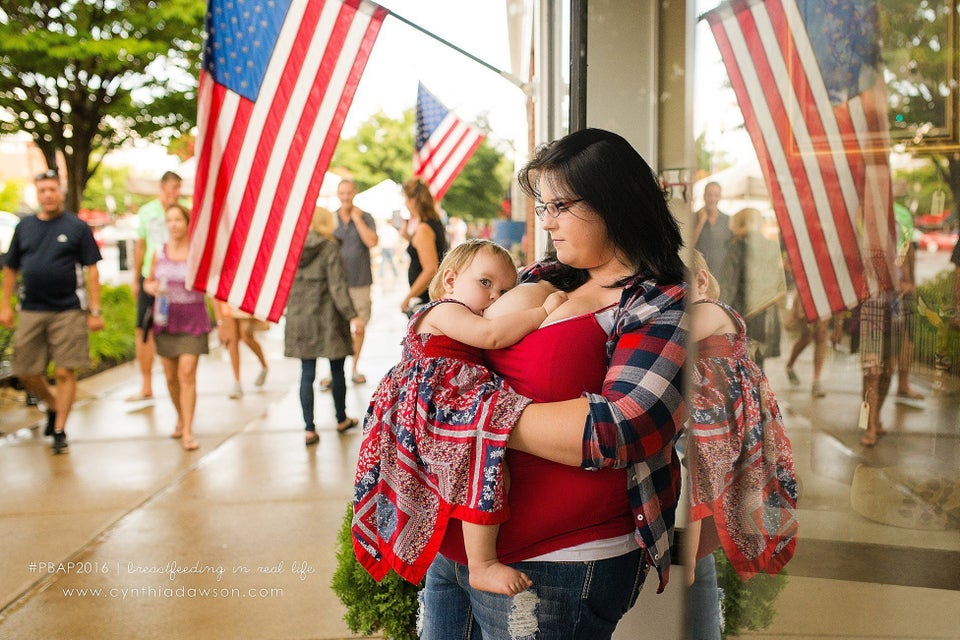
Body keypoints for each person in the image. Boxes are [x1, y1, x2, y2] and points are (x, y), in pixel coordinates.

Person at [417, 128, 687, 639]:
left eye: (560, 205)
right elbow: (452, 334)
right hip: (455, 547)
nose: (546, 221)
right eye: (543, 205)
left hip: (557, 566)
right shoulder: (549, 274)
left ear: (614, 202)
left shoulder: (659, 301)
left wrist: (462, 415)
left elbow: (626, 428)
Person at [354, 239, 567, 596]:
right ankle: (481, 564)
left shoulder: (460, 310)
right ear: (450, 281)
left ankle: (476, 557)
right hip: (431, 407)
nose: (495, 297)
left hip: (442, 402)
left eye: (504, 291)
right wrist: (542, 311)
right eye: (485, 283)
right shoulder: (442, 310)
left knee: (486, 467)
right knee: (484, 463)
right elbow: (491, 335)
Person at [682, 250, 798, 640]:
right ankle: (693, 566)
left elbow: (673, 337)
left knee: (703, 488)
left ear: (701, 280)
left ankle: (690, 566)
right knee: (701, 490)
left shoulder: (709, 309)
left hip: (721, 416)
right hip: (707, 415)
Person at [0, 169, 104, 454]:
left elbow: (92, 269)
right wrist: (4, 305)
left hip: (67, 309)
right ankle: (54, 404)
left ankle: (59, 428)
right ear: (37, 193)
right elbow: (10, 268)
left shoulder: (76, 227)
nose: (48, 195)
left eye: (52, 189)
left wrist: (94, 310)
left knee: (63, 370)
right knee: (24, 370)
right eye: (42, 190)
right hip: (32, 309)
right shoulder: (25, 227)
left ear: (61, 192)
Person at [285, 207, 364, 445]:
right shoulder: (329, 248)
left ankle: (309, 429)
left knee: (307, 373)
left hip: (300, 317)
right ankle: (341, 419)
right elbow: (338, 286)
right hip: (328, 317)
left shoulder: (291, 250)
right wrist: (353, 315)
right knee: (337, 370)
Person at [143, 204, 213, 452]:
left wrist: (223, 321)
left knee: (186, 372)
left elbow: (211, 286)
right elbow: (148, 281)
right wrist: (149, 287)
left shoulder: (197, 253)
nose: (173, 225)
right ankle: (181, 416)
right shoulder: (159, 252)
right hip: (166, 320)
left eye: (178, 220)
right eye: (169, 220)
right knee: (171, 377)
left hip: (193, 319)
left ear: (187, 223)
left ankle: (188, 429)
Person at [128, 171, 182, 402]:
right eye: (171, 188)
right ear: (162, 188)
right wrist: (136, 278)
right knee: (144, 329)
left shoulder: (184, 210)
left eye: (178, 188)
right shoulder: (148, 212)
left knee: (177, 330)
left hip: (177, 278)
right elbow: (140, 245)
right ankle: (146, 384)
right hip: (150, 278)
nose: (175, 193)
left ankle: (178, 377)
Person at [717, 207, 786, 370]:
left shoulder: (736, 247)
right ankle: (758, 394)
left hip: (743, 313)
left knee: (742, 364)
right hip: (766, 313)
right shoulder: (771, 246)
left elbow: (729, 286)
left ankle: (750, 395)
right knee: (759, 364)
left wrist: (720, 316)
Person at [332, 178, 377, 386]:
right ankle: (336, 370)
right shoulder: (332, 219)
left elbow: (371, 242)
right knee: (336, 327)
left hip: (360, 281)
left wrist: (357, 220)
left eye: (348, 193)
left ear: (355, 193)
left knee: (359, 327)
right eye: (342, 193)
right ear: (338, 195)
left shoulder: (365, 217)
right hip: (338, 283)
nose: (345, 197)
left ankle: (354, 367)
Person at [400, 177, 447, 314]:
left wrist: (408, 297)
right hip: (431, 295)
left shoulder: (424, 229)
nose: (405, 203)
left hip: (426, 298)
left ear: (414, 200)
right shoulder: (433, 222)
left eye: (406, 199)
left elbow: (430, 269)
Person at [214, 302, 268, 399]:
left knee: (246, 336)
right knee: (232, 341)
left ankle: (264, 366)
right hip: (226, 303)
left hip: (241, 299)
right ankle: (237, 382)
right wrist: (220, 322)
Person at [784, 303, 830, 398]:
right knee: (807, 336)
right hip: (807, 295)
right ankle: (790, 365)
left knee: (821, 335)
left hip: (823, 297)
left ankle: (816, 381)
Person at [691, 181, 732, 273]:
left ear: (720, 197)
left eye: (716, 195)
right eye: (709, 195)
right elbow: (688, 246)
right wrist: (701, 222)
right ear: (704, 196)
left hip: (721, 273)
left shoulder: (727, 219)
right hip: (699, 271)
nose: (712, 199)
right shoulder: (693, 217)